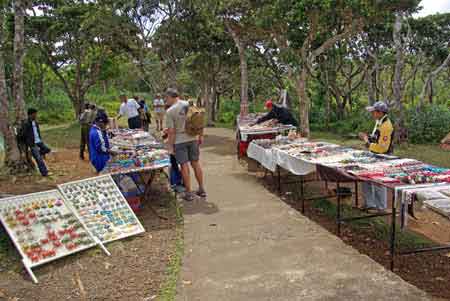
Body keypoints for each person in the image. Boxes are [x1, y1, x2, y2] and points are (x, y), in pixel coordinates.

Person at [165, 88, 205, 201]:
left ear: (170, 97)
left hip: (179, 140)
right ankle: (201, 189)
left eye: (166, 98)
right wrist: (201, 135)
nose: (165, 100)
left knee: (184, 166)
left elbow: (171, 132)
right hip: (193, 138)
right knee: (196, 163)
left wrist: (170, 146)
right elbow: (200, 120)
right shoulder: (189, 104)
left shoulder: (170, 111)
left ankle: (188, 193)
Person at [359, 101, 394, 211]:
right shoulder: (379, 122)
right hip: (374, 154)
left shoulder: (386, 126)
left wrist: (366, 142)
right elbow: (376, 137)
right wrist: (368, 137)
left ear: (380, 112)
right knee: (366, 178)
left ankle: (381, 206)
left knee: (379, 181)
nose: (372, 114)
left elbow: (382, 147)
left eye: (373, 112)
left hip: (382, 156)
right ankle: (370, 203)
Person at [22, 108, 51, 176]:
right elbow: (23, 134)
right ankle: (45, 173)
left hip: (39, 141)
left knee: (47, 149)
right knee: (39, 159)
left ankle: (35, 154)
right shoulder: (26, 123)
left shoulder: (36, 122)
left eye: (36, 114)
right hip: (32, 143)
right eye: (34, 114)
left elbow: (37, 132)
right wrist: (28, 142)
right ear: (30, 115)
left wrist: (40, 139)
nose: (36, 115)